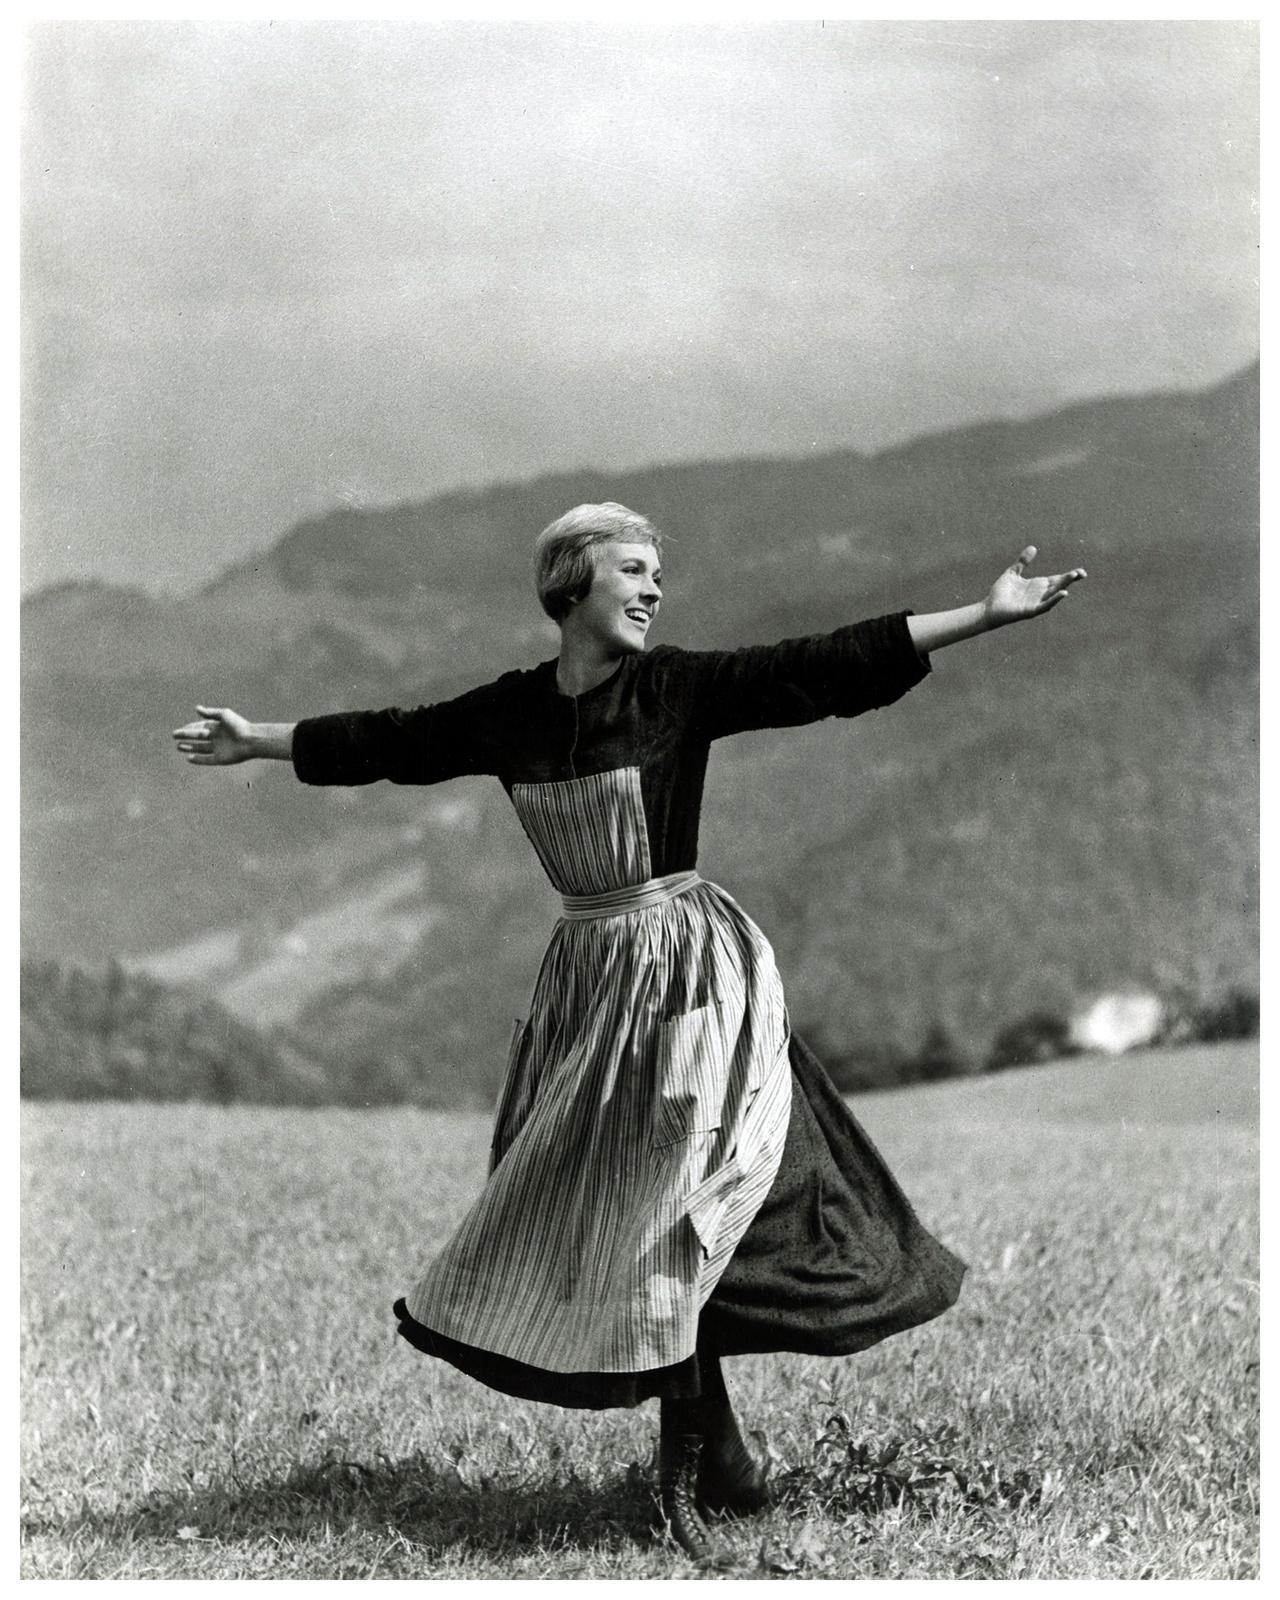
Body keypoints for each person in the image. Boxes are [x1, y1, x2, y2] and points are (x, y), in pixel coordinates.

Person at [173, 504, 1085, 1566]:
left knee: (690, 1203)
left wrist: (981, 614)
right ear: (570, 589)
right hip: (588, 990)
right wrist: (257, 741)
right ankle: (725, 1457)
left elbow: (816, 665)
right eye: (633, 572)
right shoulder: (510, 713)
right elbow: (393, 738)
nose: (653, 590)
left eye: (657, 574)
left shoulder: (676, 689)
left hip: (691, 979)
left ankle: (691, 1466)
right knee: (613, 1217)